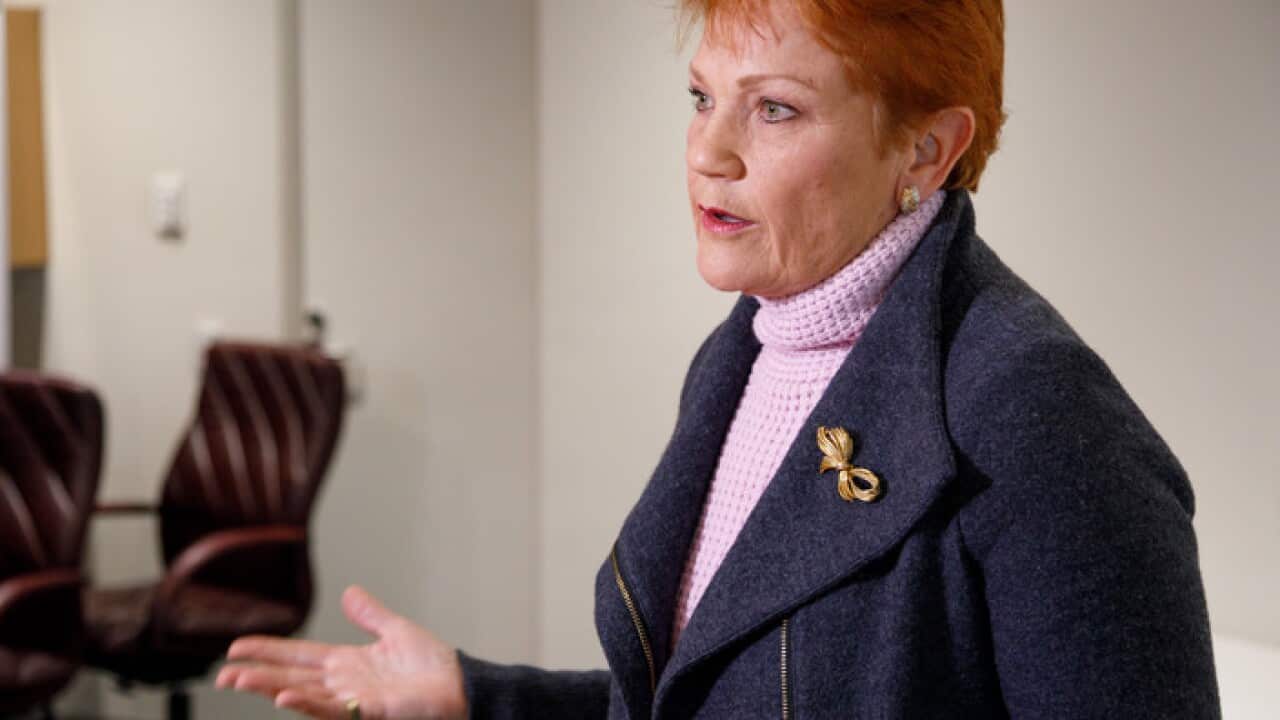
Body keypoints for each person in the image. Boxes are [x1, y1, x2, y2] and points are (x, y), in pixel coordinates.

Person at [217, 0, 1222, 717]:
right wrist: (478, 696)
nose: (708, 151)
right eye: (701, 97)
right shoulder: (742, 354)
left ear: (925, 149)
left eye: (773, 108)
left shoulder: (1038, 414)